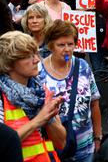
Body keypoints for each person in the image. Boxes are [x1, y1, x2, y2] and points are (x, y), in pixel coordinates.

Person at [0, 31, 66, 161]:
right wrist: (38, 120)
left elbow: (61, 143)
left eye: (36, 54)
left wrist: (49, 120)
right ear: (9, 62)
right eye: (28, 56)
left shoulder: (40, 92)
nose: (37, 60)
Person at [38, 21, 102, 162]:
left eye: (70, 44)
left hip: (85, 149)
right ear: (51, 46)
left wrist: (98, 136)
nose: (66, 49)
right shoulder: (39, 72)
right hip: (54, 150)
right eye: (61, 45)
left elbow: (94, 103)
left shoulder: (83, 66)